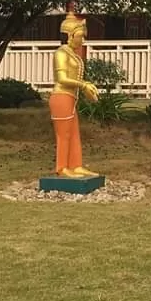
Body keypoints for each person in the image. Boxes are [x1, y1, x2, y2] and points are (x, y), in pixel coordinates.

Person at [49, 12, 100, 177]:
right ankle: (62, 168)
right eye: (79, 36)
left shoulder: (72, 54)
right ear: (70, 36)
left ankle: (76, 165)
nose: (82, 40)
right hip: (61, 97)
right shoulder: (61, 53)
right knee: (64, 135)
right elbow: (62, 78)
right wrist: (83, 84)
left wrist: (86, 88)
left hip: (70, 98)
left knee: (74, 133)